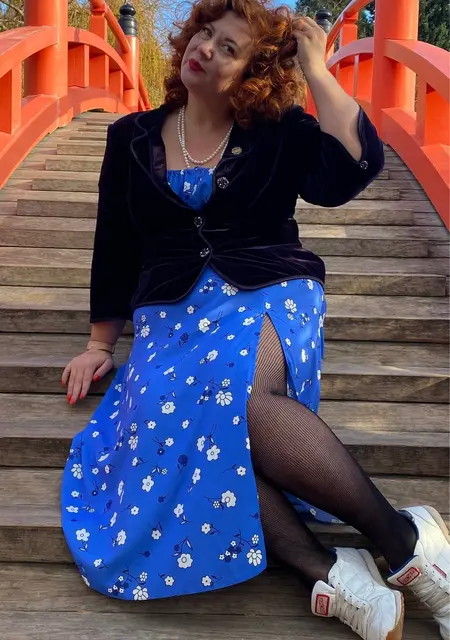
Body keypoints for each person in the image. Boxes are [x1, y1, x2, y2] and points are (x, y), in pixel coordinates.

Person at [60, 1, 450, 638]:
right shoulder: (128, 137)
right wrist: (101, 342)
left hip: (269, 286)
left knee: (233, 393)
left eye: (228, 48)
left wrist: (318, 70)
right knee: (179, 414)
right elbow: (115, 243)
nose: (205, 48)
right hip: (171, 310)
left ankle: (400, 542)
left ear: (252, 73)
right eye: (204, 33)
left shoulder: (278, 129)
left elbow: (351, 169)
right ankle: (324, 567)